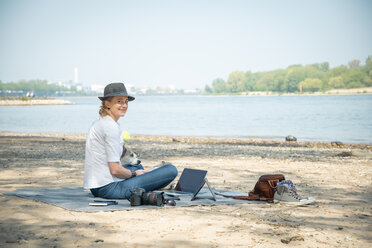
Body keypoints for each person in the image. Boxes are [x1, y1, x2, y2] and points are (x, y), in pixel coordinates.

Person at [83, 82, 178, 199]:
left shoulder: (102, 123)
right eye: (119, 101)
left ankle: (146, 180)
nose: (124, 105)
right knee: (171, 170)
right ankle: (148, 182)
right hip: (109, 189)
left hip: (97, 186)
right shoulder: (110, 127)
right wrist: (134, 174)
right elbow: (115, 170)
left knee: (138, 167)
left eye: (126, 101)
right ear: (107, 103)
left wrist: (135, 172)